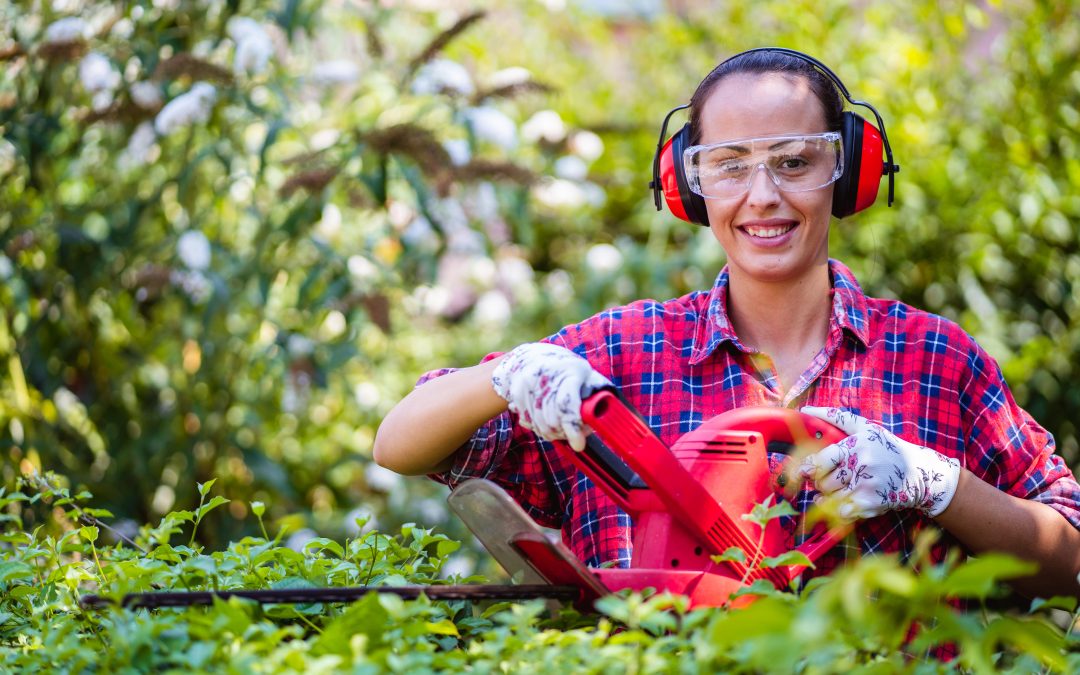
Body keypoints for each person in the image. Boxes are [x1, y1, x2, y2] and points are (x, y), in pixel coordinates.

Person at [373, 48, 1080, 600]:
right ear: (689, 183)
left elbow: (1069, 561)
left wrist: (937, 483)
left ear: (849, 170)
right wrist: (508, 373)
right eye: (729, 165)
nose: (762, 195)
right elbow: (400, 444)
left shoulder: (933, 361)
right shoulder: (621, 351)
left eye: (795, 161)